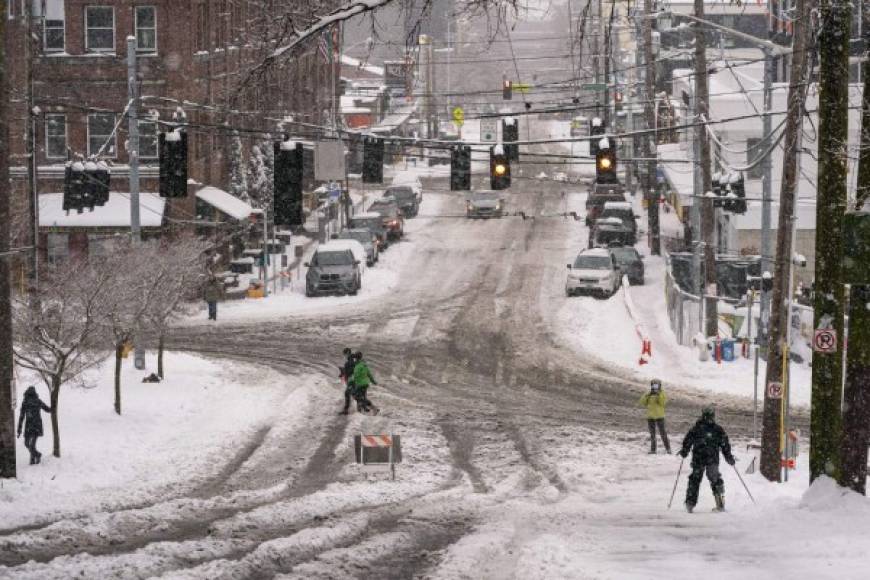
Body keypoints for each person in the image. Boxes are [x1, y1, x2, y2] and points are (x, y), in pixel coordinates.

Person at [678, 406, 736, 513]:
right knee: (714, 480)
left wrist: (685, 451)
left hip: (700, 458)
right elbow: (725, 445)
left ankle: (690, 503)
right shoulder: (717, 430)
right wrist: (729, 457)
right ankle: (720, 504)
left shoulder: (696, 429)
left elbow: (687, 441)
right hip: (711, 459)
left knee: (695, 479)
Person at [17, 386, 52, 465]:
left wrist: (19, 429)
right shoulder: (29, 402)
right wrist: (19, 429)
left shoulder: (34, 401)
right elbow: (47, 409)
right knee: (29, 444)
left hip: (33, 426)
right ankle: (36, 455)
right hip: (34, 426)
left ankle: (34, 458)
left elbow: (21, 417)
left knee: (29, 444)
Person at [639, 378, 670, 454]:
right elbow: (642, 402)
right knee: (652, 434)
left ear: (660, 385)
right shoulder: (649, 393)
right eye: (653, 385)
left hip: (660, 416)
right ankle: (653, 450)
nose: (655, 386)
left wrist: (658, 395)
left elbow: (663, 403)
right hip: (650, 417)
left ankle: (668, 449)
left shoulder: (662, 393)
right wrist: (647, 395)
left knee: (663, 433)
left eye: (657, 385)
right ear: (651, 385)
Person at [338, 348, 359, 415]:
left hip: (352, 381)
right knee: (352, 395)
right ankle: (363, 408)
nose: (344, 356)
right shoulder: (352, 359)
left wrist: (343, 372)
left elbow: (350, 371)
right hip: (354, 380)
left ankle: (346, 410)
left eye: (344, 354)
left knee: (350, 394)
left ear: (347, 353)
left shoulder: (349, 361)